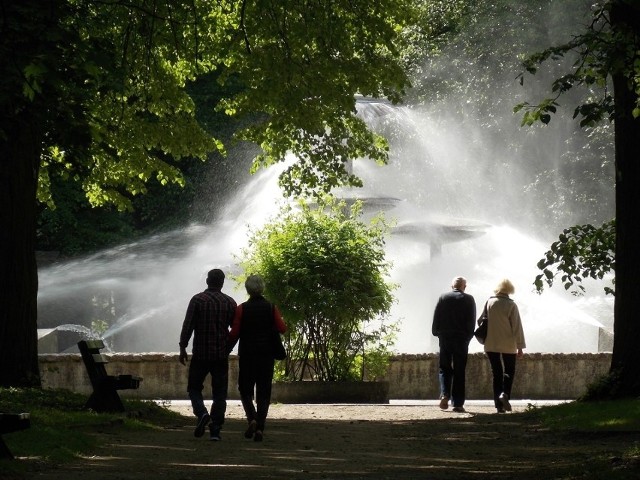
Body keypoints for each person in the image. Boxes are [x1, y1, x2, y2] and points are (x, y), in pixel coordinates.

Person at [179, 268, 237, 441]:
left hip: (201, 353)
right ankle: (216, 429)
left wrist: (183, 347)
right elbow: (235, 330)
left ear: (207, 281)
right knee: (220, 393)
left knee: (194, 387)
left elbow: (187, 325)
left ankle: (202, 413)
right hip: (220, 355)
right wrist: (228, 348)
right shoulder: (229, 302)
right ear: (222, 283)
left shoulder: (197, 300)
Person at [228, 274, 287, 442]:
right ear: (262, 288)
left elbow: (234, 333)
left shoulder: (242, 308)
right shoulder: (271, 307)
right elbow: (282, 328)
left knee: (245, 389)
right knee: (264, 391)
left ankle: (251, 418)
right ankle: (260, 427)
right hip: (266, 355)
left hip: (247, 354)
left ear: (247, 289)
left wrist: (225, 346)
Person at [432, 276, 476, 413]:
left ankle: (445, 394)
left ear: (452, 286)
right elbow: (471, 320)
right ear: (465, 286)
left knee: (444, 368)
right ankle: (457, 403)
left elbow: (436, 316)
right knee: (459, 370)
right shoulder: (469, 299)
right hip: (461, 339)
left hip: (445, 338)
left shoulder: (443, 297)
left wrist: (436, 332)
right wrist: (468, 337)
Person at [481, 278, 526, 413]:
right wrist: (520, 346)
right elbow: (517, 327)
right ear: (510, 290)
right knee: (509, 371)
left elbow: (482, 320)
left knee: (497, 373)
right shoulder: (511, 305)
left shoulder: (490, 302)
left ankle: (498, 406)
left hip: (491, 343)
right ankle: (505, 394)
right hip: (508, 344)